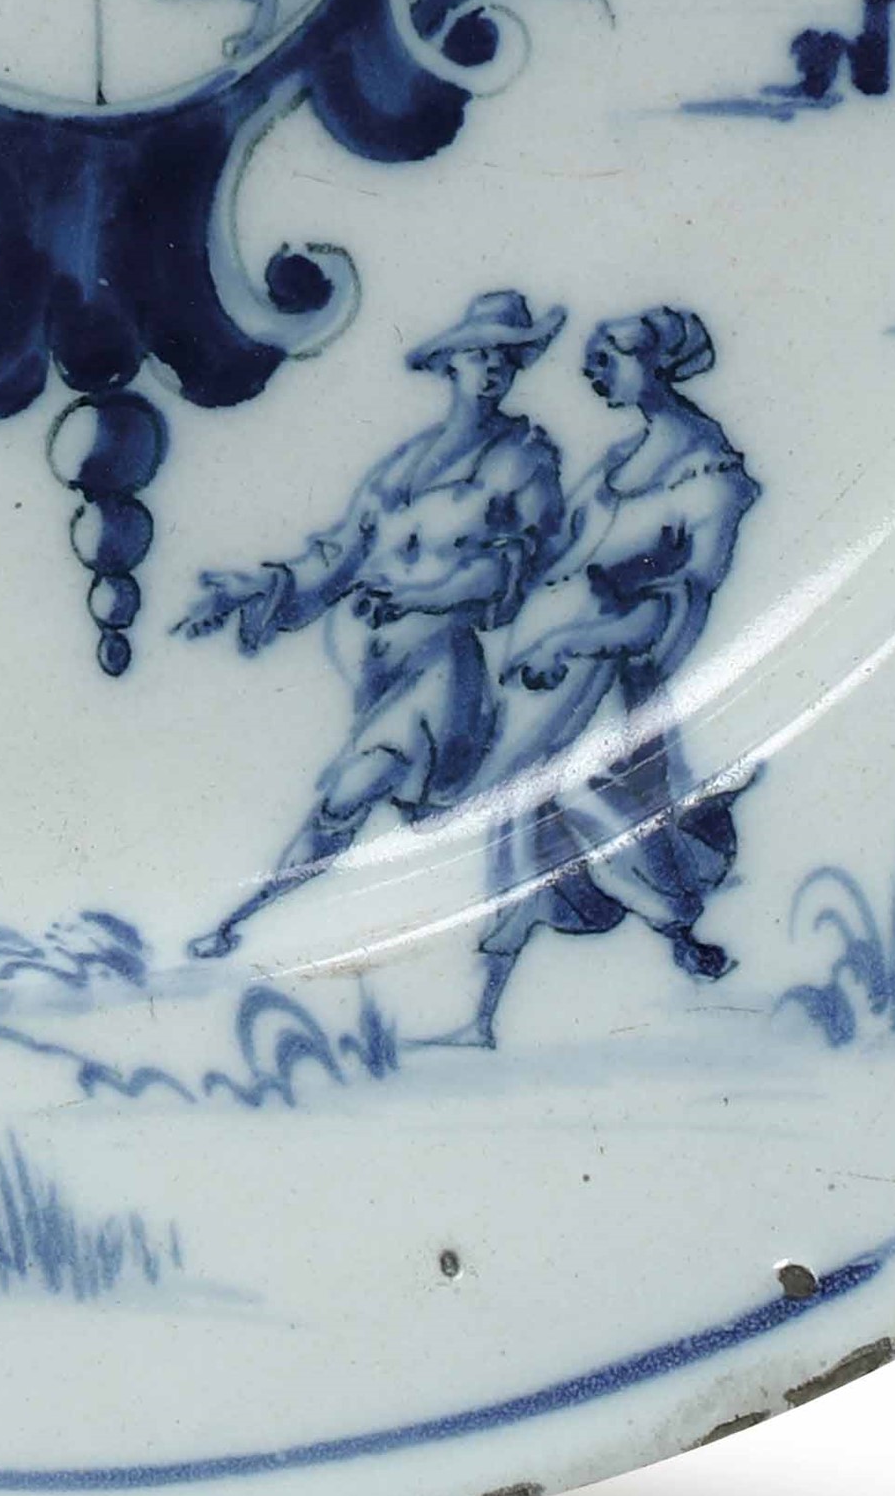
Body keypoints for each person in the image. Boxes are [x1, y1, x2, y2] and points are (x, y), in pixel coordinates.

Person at [176, 291, 574, 960]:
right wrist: (260, 586)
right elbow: (339, 556)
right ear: (450, 364)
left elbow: (512, 568)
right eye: (480, 355)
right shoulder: (402, 465)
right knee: (352, 794)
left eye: (507, 359)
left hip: (439, 667)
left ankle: (242, 920)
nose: (493, 369)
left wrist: (422, 594)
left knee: (349, 794)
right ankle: (251, 921)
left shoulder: (523, 459)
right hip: (374, 670)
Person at [463, 306, 760, 1038]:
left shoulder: (710, 477)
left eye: (613, 355)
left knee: (573, 794)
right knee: (515, 812)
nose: (596, 371)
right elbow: (554, 562)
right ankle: (482, 1014)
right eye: (593, 358)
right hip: (549, 677)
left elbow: (681, 602)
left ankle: (677, 925)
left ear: (658, 361)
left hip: (616, 678)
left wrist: (576, 639)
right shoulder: (612, 467)